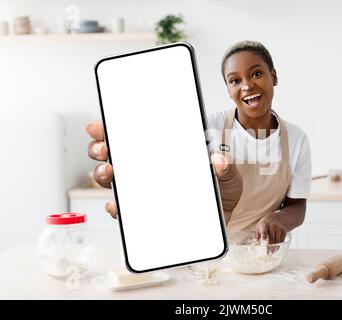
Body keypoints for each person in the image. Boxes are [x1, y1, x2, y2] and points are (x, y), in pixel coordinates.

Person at [86, 40, 311, 244]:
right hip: (210, 249)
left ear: (274, 76)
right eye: (235, 80)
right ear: (228, 89)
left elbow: (297, 206)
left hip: (264, 252)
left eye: (256, 74)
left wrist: (278, 219)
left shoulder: (296, 138)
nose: (246, 86)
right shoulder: (206, 128)